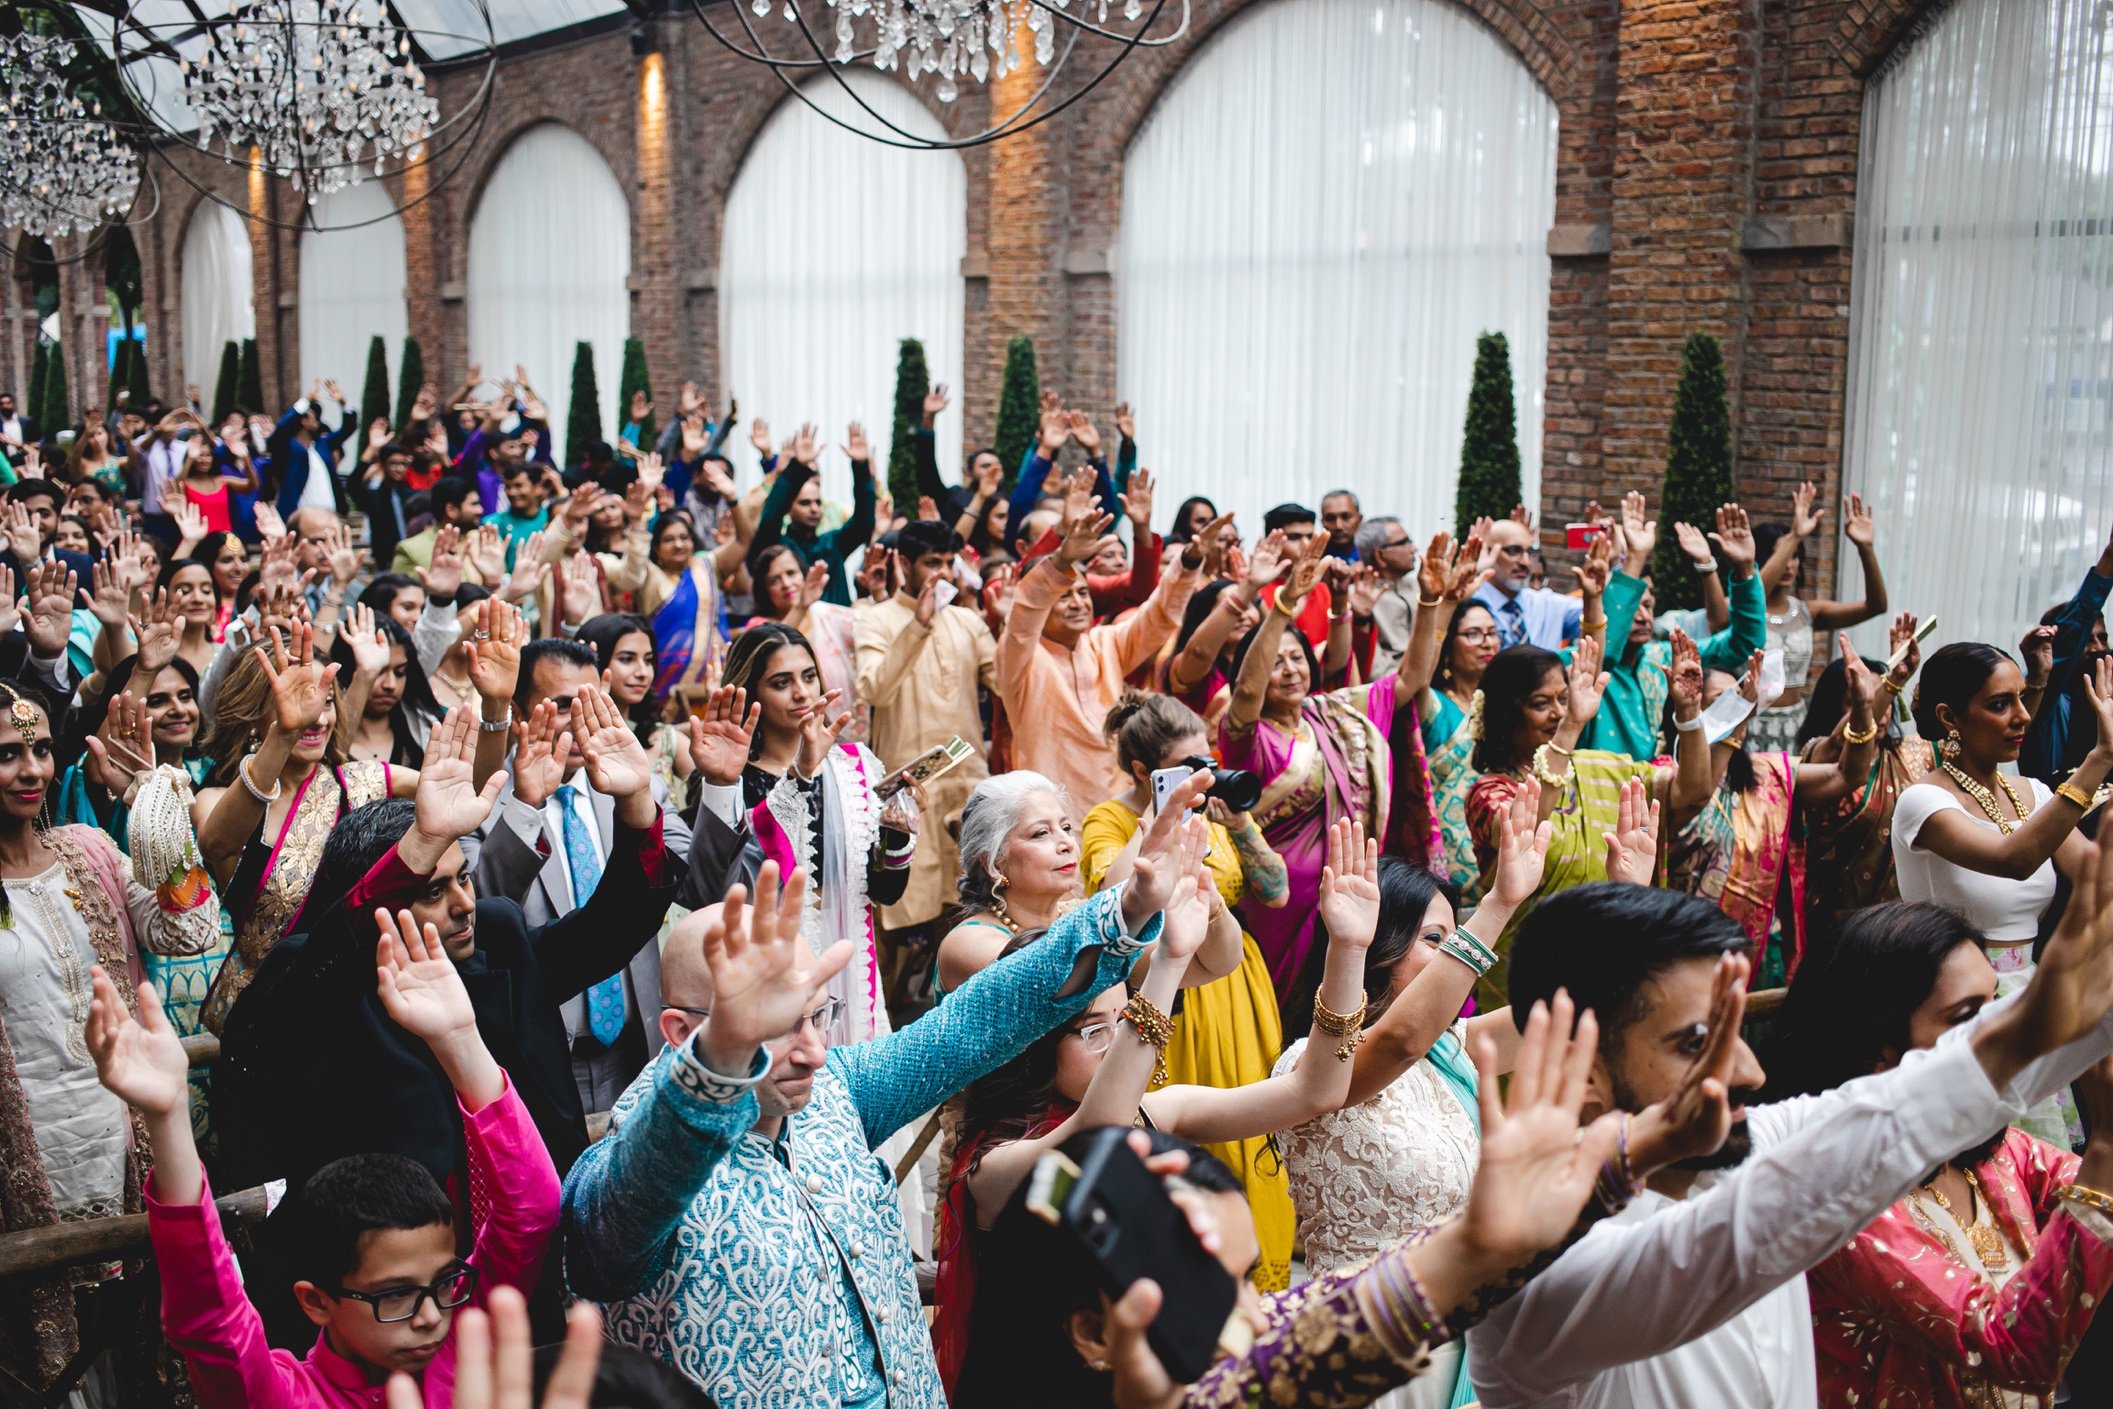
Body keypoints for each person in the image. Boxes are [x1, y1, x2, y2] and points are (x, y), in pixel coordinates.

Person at [560, 799, 1188, 1409]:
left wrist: (1125, 911)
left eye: (817, 1016)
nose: (810, 1050)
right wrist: (722, 1061)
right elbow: (631, 1207)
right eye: (770, 1028)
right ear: (680, 1033)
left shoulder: (835, 1087)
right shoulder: (628, 1163)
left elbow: (977, 1021)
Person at [1465, 858, 2113, 1409]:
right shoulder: (1533, 1269)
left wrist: (2073, 1015)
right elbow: (1743, 1226)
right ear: (1581, 1075)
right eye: (1696, 1042)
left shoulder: (1738, 1151)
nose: (1746, 1069)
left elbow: (1918, 1094)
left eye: (1734, 1031)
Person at [937, 818, 1369, 1389]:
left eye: (1124, 1019)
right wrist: (1164, 965)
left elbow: (1317, 1090)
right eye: (1093, 1030)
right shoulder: (992, 1168)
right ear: (1032, 1047)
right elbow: (1097, 1139)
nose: (1119, 1040)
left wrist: (1347, 950)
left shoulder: (1154, 1113)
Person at [95, 899, 560, 1408]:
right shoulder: (286, 1397)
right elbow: (213, 1322)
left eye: (446, 1280)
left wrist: (459, 1040)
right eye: (395, 1295)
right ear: (316, 1302)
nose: (430, 1315)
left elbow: (531, 1212)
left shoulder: (466, 1328)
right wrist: (168, 1121)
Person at [1273, 778, 1588, 1409]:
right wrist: (1495, 906)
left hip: (1472, 1340)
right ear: (1378, 944)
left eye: (1455, 938)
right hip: (1372, 1347)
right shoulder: (1316, 1063)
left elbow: (1568, 1011)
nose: (1458, 962)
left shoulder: (1456, 1047)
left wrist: (1622, 903)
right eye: (1436, 942)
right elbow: (1398, 1041)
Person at [1765, 901, 2113, 1409]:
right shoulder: (1842, 1200)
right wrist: (2105, 1145)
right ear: (1875, 1049)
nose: (2001, 1032)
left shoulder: (1992, 1151)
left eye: (1998, 1005)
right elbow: (2013, 1350)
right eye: (1967, 1016)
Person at [0, 677, 221, 1400]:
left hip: (120, 1149)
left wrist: (152, 802)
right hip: (25, 1174)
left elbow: (187, 927)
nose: (31, 770)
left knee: (141, 1357)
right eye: (6, 754)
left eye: (38, 750)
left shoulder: (88, 850)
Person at [1076, 691, 1292, 1284]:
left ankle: (1260, 1271)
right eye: (1190, 767)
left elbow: (1274, 891)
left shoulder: (1215, 813)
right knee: (1193, 1133)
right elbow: (1109, 896)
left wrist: (1242, 821)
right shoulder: (1110, 820)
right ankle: (1190, 1276)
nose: (1208, 775)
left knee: (1253, 1124)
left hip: (1236, 982)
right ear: (1149, 773)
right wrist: (1159, 827)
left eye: (1209, 760)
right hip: (1168, 988)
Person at [462, 638, 700, 1114]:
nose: (580, 721)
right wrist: (526, 808)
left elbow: (694, 882)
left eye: (593, 704)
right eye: (565, 705)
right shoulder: (482, 798)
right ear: (519, 710)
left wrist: (714, 787)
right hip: (540, 1049)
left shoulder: (638, 784)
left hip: (638, 1047)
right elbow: (482, 917)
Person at [1893, 642, 2113, 1147]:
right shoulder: (1922, 801)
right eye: (1999, 704)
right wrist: (2099, 759)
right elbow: (2014, 859)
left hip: (2030, 994)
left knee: (2037, 1169)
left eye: (2021, 698)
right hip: (1953, 1005)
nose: (2021, 717)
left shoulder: (2032, 793)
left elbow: (2097, 875)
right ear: (1950, 716)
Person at [1218, 532, 1442, 1014]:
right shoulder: (1248, 739)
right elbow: (1245, 695)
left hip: (1351, 890)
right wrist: (1282, 609)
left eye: (1297, 657)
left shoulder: (1336, 714)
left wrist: (1429, 601)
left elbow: (1409, 680)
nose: (1290, 670)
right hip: (1281, 903)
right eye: (1275, 664)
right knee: (1286, 1012)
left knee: (1344, 1005)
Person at [1462, 629, 1712, 1008]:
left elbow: (1692, 791)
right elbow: (1522, 830)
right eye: (1540, 703)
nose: (1559, 712)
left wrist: (1689, 714)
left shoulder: (1600, 769)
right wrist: (1571, 728)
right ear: (1508, 713)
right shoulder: (1490, 791)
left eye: (1564, 699)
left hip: (1605, 970)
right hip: (1523, 987)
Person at [193, 621, 417, 1033]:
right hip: (268, 1021)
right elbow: (217, 842)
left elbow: (463, 792)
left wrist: (496, 711)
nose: (315, 716)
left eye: (326, 702)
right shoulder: (214, 800)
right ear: (251, 713)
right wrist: (285, 733)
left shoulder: (359, 782)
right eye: (297, 701)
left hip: (364, 1011)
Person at [718, 622, 912, 1046]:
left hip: (853, 957)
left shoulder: (853, 766)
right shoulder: (733, 781)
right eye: (781, 683)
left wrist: (896, 835)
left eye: (808, 676)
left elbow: (885, 890)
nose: (803, 694)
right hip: (776, 963)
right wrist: (799, 775)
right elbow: (730, 882)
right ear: (752, 694)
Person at [1663, 638, 1883, 985]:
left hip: (1761, 954)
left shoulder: (1767, 774)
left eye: (1736, 702)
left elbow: (1848, 774)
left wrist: (1864, 705)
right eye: (1715, 705)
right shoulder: (1666, 782)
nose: (1731, 712)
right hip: (1687, 955)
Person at [996, 489, 1203, 813]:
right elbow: (1024, 612)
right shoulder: (1020, 658)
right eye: (1064, 596)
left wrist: (1188, 562)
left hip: (1120, 805)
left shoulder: (1103, 643)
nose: (1078, 603)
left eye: (1082, 592)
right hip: (1056, 814)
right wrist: (1062, 558)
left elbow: (1157, 616)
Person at [852, 518, 998, 958]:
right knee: (893, 913)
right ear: (903, 562)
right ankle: (889, 1018)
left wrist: (1009, 623)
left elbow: (1008, 686)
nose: (942, 573)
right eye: (932, 563)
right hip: (905, 792)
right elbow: (873, 688)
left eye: (948, 562)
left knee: (965, 909)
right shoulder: (874, 619)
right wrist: (916, 626)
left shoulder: (968, 623)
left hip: (964, 787)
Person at [1581, 498, 1769, 760]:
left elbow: (1743, 644)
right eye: (1630, 606)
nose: (1642, 616)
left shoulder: (1664, 659)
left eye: (1647, 605)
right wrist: (1635, 557)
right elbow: (1606, 650)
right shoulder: (1578, 668)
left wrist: (1745, 568)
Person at [1797, 611, 1931, 925]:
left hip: (1901, 926)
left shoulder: (1911, 753)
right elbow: (1840, 745)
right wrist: (1885, 689)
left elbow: (1979, 746)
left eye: (1879, 701)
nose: (1879, 715)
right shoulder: (1817, 755)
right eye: (1858, 702)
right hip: (1834, 925)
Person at [1747, 481, 1889, 753]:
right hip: (1750, 723)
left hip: (1796, 724)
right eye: (1779, 556)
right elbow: (1752, 597)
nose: (1789, 565)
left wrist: (1866, 549)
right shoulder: (1744, 611)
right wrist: (1795, 538)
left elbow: (1876, 605)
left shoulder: (1807, 612)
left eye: (1795, 556)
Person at [2021, 522, 2113, 785]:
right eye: (2087, 640)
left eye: (2102, 638)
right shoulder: (2046, 699)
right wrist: (2109, 559)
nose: (2096, 648)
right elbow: (2073, 633)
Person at [1161, 532, 1284, 727]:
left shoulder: (1267, 664)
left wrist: (1255, 592)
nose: (1242, 614)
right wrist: (1247, 587)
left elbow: (1277, 636)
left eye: (1248, 606)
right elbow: (1200, 652)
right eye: (1231, 609)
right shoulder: (1191, 668)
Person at [751, 421, 879, 607]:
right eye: (805, 503)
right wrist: (796, 468)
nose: (814, 509)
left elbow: (864, 521)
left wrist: (860, 467)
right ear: (789, 508)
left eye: (818, 503)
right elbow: (770, 519)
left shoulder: (834, 543)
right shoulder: (779, 546)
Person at [746, 543, 866, 740]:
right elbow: (771, 646)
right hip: (784, 739)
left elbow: (873, 632)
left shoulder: (829, 614)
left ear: (803, 575)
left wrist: (878, 593)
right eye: (774, 580)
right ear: (764, 590)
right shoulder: (757, 629)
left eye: (791, 573)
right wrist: (800, 607)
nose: (786, 583)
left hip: (845, 730)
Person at [576, 612, 691, 796]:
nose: (643, 672)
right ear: (596, 661)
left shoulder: (665, 740)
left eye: (648, 660)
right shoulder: (571, 743)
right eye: (627, 659)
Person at [639, 509, 741, 703]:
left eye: (684, 537)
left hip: (710, 673)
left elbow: (743, 542)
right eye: (668, 539)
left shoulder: (703, 570)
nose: (678, 544)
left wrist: (732, 500)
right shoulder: (649, 577)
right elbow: (633, 566)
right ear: (656, 548)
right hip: (662, 678)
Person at [330, 607, 442, 768]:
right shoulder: (320, 734)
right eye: (379, 672)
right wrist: (366, 673)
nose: (390, 685)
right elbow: (329, 758)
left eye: (399, 672)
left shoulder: (425, 730)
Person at [1475, 510, 1580, 651]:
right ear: (1487, 552)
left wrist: (1615, 564)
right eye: (1513, 550)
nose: (1526, 562)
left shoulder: (1545, 603)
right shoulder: (1468, 603)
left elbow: (1606, 618)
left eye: (1529, 552)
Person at [270, 382, 357, 517]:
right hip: (301, 518)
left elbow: (348, 428)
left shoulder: (323, 443)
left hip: (330, 516)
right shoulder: (289, 447)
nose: (318, 423)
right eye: (314, 418)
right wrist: (306, 400)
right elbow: (280, 430)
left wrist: (343, 402)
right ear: (303, 421)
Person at [1353, 515, 1420, 676]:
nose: (1414, 549)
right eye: (1404, 543)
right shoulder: (1358, 598)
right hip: (1392, 688)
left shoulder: (1418, 586)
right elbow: (1374, 671)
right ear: (1380, 555)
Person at [391, 476, 484, 577]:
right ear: (451, 509)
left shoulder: (483, 540)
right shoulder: (410, 550)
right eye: (474, 504)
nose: (480, 510)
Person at [1320, 489, 1363, 559]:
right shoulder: (1313, 557)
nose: (1338, 526)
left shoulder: (1374, 555)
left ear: (1360, 519)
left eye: (1346, 517)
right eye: (1330, 518)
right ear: (1322, 522)